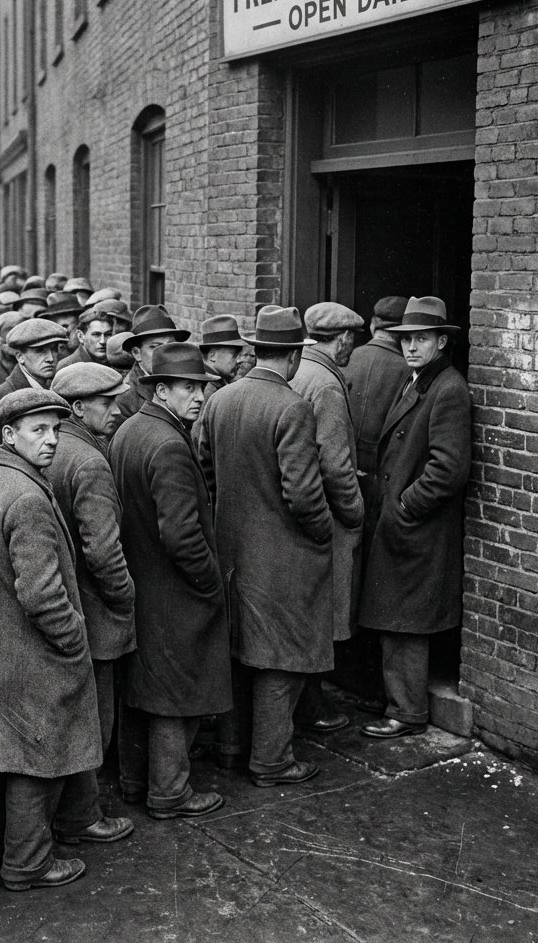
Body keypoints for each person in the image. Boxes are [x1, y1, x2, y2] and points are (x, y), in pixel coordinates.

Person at [0, 389, 104, 891]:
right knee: (33, 760)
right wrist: (73, 641)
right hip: (31, 653)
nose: (50, 440)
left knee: (0, 754)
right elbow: (42, 594)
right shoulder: (25, 497)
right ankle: (28, 864)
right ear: (9, 435)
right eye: (38, 430)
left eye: (56, 430)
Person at [200, 306, 333, 788]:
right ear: (296, 355)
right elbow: (303, 492)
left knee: (240, 652)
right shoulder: (292, 406)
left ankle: (234, 749)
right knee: (282, 657)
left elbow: (207, 472)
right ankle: (273, 761)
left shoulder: (221, 400)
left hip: (232, 551)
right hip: (283, 557)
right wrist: (322, 534)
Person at [110, 343, 230, 818]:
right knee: (175, 695)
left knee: (147, 687)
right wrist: (209, 584)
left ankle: (137, 783)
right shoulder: (169, 445)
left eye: (202, 386)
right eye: (188, 387)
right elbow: (181, 535)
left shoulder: (130, 431)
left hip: (141, 583)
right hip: (173, 589)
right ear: (161, 390)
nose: (199, 396)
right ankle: (170, 792)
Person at [357, 296, 471, 739]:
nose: (411, 347)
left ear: (442, 341)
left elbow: (448, 468)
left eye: (422, 339)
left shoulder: (448, 389)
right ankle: (395, 700)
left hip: (418, 528)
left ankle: (406, 711)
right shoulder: (417, 379)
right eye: (406, 339)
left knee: (406, 619)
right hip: (402, 524)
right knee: (395, 614)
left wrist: (405, 506)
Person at [47, 364, 136, 762]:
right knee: (97, 718)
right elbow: (102, 550)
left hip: (67, 605)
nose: (116, 410)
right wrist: (124, 596)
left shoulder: (52, 447)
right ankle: (88, 813)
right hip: (96, 610)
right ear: (79, 408)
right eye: (107, 402)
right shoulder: (90, 461)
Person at [289, 302, 366, 731]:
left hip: (296, 513)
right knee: (323, 613)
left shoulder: (298, 372)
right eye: (350, 340)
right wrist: (355, 513)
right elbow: (335, 464)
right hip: (325, 516)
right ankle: (312, 707)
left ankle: (307, 702)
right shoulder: (327, 385)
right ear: (342, 340)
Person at [345, 295, 410, 550]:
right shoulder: (407, 370)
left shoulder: (347, 358)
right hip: (381, 483)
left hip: (346, 478)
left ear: (373, 325)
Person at [0, 318, 68, 465]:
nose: (50, 358)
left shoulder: (55, 391)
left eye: (54, 349)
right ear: (20, 357)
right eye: (40, 351)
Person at [115, 306, 190, 426]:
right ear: (137, 353)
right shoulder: (126, 399)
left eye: (170, 345)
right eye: (155, 347)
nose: (165, 353)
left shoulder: (188, 382)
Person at [191, 314, 254, 448]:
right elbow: (199, 443)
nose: (240, 360)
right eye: (234, 354)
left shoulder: (217, 383)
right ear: (212, 356)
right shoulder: (208, 390)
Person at [57, 304, 114, 369]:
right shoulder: (67, 367)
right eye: (96, 335)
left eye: (108, 334)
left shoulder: (113, 363)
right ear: (80, 336)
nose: (103, 341)